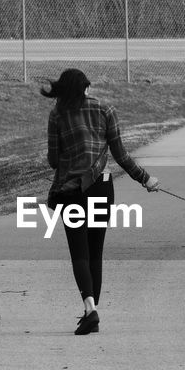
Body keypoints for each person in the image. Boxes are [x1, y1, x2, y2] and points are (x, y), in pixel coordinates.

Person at [43, 68, 160, 335]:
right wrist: (146, 179)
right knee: (95, 252)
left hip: (70, 192)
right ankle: (92, 310)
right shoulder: (105, 110)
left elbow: (53, 160)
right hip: (101, 188)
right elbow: (121, 154)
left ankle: (89, 308)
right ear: (84, 88)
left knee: (79, 253)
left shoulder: (57, 115)